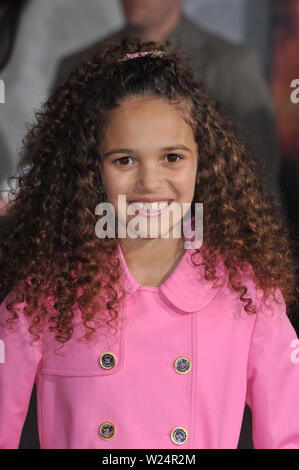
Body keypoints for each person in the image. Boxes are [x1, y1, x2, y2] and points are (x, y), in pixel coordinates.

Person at [0, 37, 298, 449]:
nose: (150, 183)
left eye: (172, 157)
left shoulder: (249, 297)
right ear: (91, 170)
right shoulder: (42, 299)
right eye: (124, 160)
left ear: (203, 161)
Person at [53, 0, 281, 201]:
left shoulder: (232, 67)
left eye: (172, 158)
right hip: (97, 234)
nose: (149, 182)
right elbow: (58, 174)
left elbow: (260, 178)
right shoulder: (79, 68)